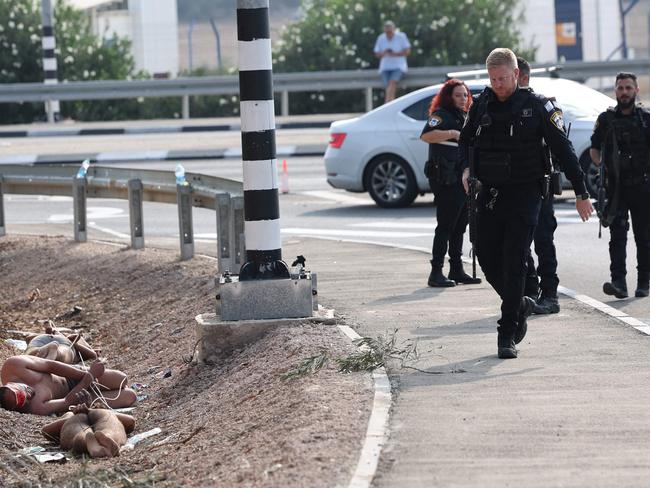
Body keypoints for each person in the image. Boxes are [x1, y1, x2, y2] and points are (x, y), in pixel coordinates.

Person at [459, 48, 593, 359]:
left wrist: (582, 192)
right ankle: (518, 301)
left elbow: (564, 149)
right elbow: (465, 140)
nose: (498, 85)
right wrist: (465, 167)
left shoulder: (538, 107)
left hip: (526, 193)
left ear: (517, 75)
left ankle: (506, 333)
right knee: (484, 252)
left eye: (503, 79)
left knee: (514, 258)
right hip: (490, 192)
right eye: (493, 79)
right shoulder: (481, 105)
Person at [590, 72, 650, 299]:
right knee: (617, 236)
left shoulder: (646, 118)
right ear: (615, 91)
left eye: (628, 88)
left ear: (636, 90)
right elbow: (595, 149)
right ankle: (619, 283)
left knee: (643, 236)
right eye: (620, 88)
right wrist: (604, 167)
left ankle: (643, 282)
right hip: (616, 188)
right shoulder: (606, 119)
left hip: (643, 186)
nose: (624, 92)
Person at [420, 78, 482, 287]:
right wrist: (453, 133)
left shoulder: (466, 115)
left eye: (465, 95)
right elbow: (427, 135)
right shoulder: (442, 115)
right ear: (448, 96)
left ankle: (456, 269)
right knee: (446, 225)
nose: (463, 98)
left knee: (460, 225)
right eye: (458, 95)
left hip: (463, 177)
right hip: (446, 178)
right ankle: (436, 271)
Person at [517, 57, 561, 314]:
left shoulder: (543, 104)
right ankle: (530, 290)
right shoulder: (499, 105)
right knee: (517, 241)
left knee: (543, 239)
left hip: (539, 183)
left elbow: (559, 144)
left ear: (521, 76)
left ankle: (550, 294)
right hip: (512, 185)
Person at [0, 355, 137, 415]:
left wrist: (85, 374)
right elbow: (67, 402)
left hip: (73, 376)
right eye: (23, 401)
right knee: (130, 396)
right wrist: (89, 378)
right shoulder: (35, 407)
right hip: (80, 394)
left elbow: (50, 365)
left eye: (23, 394)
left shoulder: (13, 366)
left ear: (11, 384)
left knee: (122, 379)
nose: (29, 396)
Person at [42, 403, 135, 458]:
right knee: (108, 421)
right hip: (97, 413)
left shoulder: (69, 415)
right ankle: (109, 438)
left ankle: (85, 442)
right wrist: (90, 410)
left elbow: (46, 431)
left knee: (77, 429)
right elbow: (130, 421)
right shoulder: (103, 411)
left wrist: (76, 413)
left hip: (76, 418)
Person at [24, 321, 98, 364]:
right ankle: (54, 353)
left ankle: (40, 353)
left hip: (41, 339)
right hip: (62, 343)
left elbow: (27, 338)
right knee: (62, 353)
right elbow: (93, 355)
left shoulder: (78, 346)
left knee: (32, 352)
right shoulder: (79, 349)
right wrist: (73, 343)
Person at [373, 20, 411, 104]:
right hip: (385, 67)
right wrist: (384, 53)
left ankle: (387, 104)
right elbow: (376, 53)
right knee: (389, 87)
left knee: (392, 83)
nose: (388, 34)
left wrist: (395, 53)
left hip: (398, 66)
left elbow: (408, 51)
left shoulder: (401, 36)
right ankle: (391, 105)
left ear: (394, 29)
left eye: (390, 32)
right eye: (387, 32)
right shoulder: (381, 38)